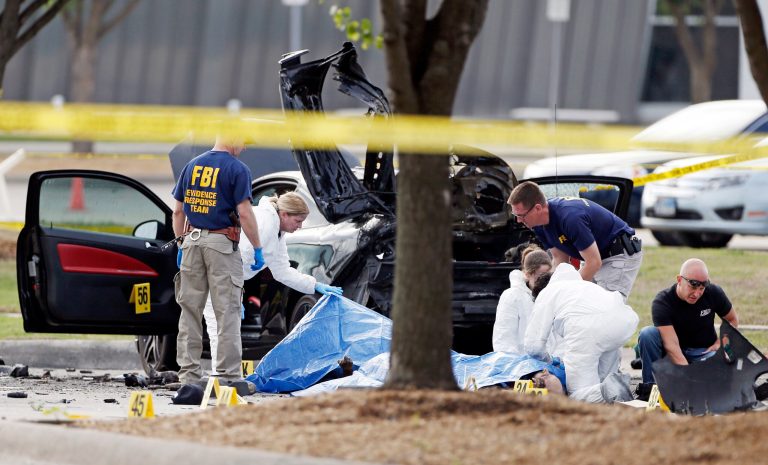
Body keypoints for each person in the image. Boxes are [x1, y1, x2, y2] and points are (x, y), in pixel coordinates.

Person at [203, 192, 343, 372]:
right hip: (218, 275)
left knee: (227, 330)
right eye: (298, 221)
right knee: (220, 330)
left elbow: (282, 271)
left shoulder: (278, 232)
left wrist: (314, 285)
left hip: (228, 278)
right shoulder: (264, 223)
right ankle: (222, 379)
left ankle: (228, 377)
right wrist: (233, 291)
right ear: (284, 214)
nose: (299, 227)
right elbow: (236, 258)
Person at [172, 134, 264, 387]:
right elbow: (244, 213)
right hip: (221, 245)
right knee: (228, 312)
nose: (244, 147)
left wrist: (181, 243)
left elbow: (178, 211)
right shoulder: (237, 169)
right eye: (244, 142)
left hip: (191, 242)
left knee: (190, 311)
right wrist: (257, 247)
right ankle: (229, 376)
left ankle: (188, 377)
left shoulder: (191, 166)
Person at [507, 181, 643, 300]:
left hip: (618, 254)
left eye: (521, 215)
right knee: (582, 305)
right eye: (515, 216)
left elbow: (594, 263)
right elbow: (560, 260)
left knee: (602, 310)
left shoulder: (570, 218)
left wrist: (566, 292)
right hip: (596, 257)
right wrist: (550, 290)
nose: (518, 221)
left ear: (537, 208)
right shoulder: (538, 224)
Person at [524, 263, 639, 403]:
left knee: (578, 393)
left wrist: (549, 360)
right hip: (623, 322)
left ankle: (609, 390)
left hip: (587, 329)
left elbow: (533, 346)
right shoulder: (584, 286)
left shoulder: (547, 293)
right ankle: (614, 390)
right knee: (605, 381)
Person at [635, 258, 738, 400]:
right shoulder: (663, 301)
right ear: (679, 280)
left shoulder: (714, 293)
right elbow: (672, 346)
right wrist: (687, 376)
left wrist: (721, 344)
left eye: (701, 289)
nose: (696, 294)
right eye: (692, 287)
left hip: (703, 351)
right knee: (648, 334)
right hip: (672, 352)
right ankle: (651, 389)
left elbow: (732, 320)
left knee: (722, 374)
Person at [492, 245, 553, 354]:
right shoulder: (512, 297)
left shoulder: (554, 296)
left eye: (548, 276)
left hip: (552, 366)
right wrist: (523, 369)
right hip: (523, 367)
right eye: (540, 277)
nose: (545, 281)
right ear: (527, 274)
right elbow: (503, 341)